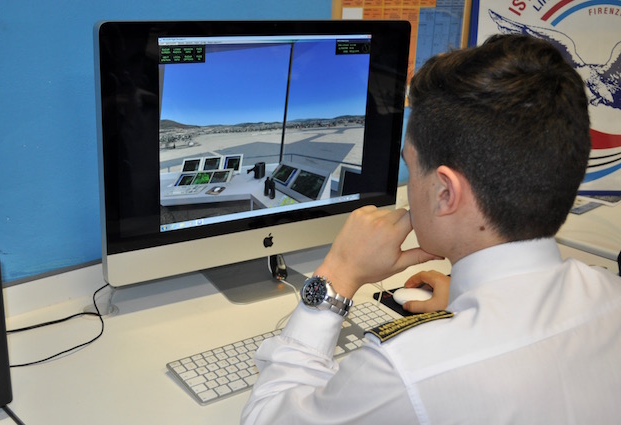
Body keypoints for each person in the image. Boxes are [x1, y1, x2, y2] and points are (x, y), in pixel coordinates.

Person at [241, 34, 621, 424]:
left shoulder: (405, 370)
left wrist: (338, 273)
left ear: (445, 193)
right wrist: (462, 299)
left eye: (411, 168)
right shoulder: (611, 294)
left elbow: (267, 417)